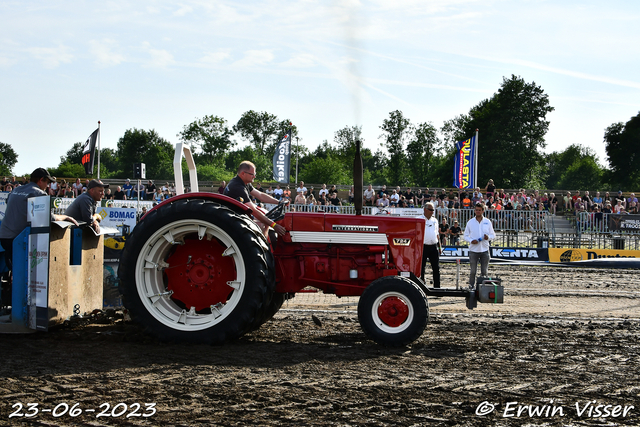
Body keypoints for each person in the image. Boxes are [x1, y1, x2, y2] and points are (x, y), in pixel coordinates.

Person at [0, 168, 78, 280]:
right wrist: (65, 217)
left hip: (5, 237)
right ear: (41, 180)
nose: (48, 186)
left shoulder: (16, 190)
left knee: (15, 269)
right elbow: (50, 217)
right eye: (47, 182)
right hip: (20, 240)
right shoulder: (38, 193)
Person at [224, 161, 287, 236]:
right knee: (263, 224)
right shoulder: (237, 187)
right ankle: (265, 247)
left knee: (265, 220)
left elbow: (260, 195)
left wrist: (279, 202)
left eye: (255, 174)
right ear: (243, 174)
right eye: (252, 174)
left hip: (237, 215)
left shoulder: (244, 183)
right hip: (232, 220)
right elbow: (253, 210)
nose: (254, 176)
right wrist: (274, 225)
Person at [464, 203, 496, 288]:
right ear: (474, 210)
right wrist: (471, 240)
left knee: (484, 272)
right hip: (473, 250)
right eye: (476, 210)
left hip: (485, 250)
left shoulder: (487, 222)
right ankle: (471, 287)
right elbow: (465, 236)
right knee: (473, 271)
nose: (477, 211)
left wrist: (488, 237)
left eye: (479, 210)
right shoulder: (470, 222)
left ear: (483, 210)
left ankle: (483, 289)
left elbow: (493, 235)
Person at [419, 202, 441, 288]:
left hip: (433, 246)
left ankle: (437, 287)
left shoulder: (435, 220)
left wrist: (439, 247)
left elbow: (437, 234)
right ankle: (421, 287)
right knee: (421, 268)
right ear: (425, 210)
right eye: (431, 210)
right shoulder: (419, 219)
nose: (432, 212)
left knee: (436, 268)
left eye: (433, 210)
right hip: (423, 247)